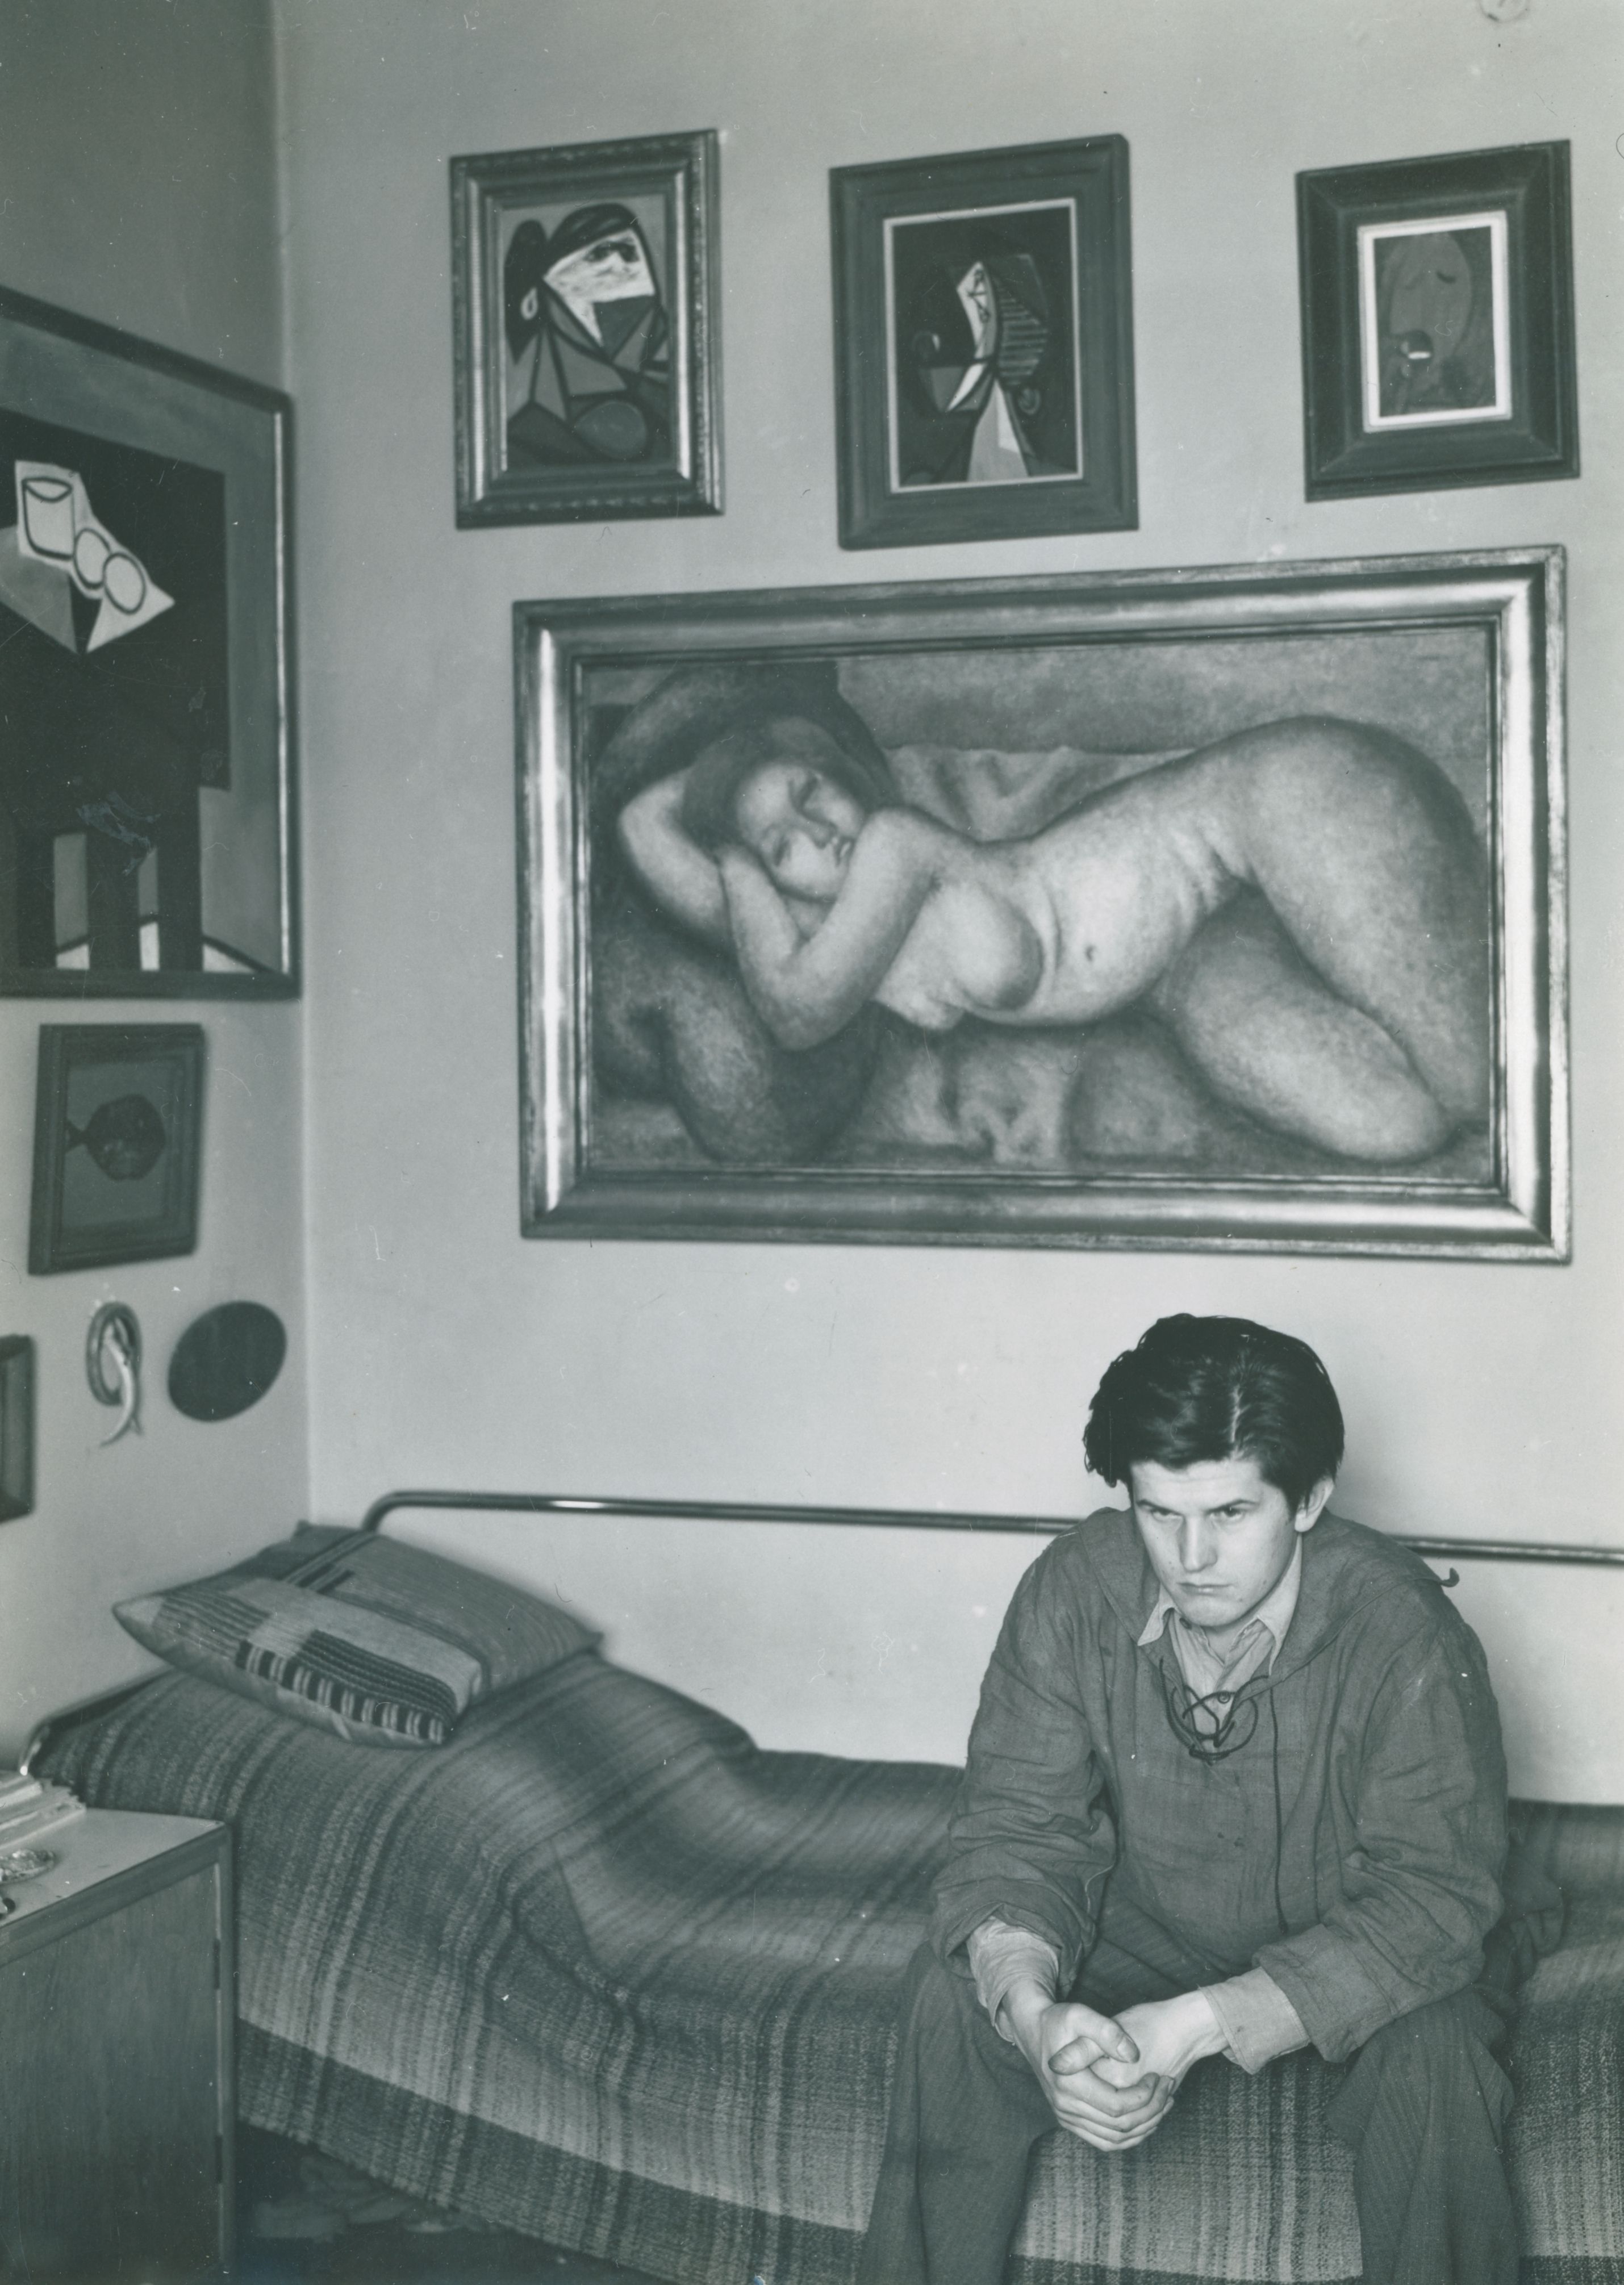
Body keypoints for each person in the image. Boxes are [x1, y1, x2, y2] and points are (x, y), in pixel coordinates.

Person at [856, 1314, 1519, 2285]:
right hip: (1154, 1922)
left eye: (1230, 1513)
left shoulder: (1405, 1628)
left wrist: (1197, 2024)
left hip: (1353, 1931)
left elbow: (1433, 1904)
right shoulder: (1072, 1588)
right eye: (1159, 1513)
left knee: (1437, 2052)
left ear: (1310, 1499)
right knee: (955, 1992)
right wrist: (1034, 2019)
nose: (1191, 1556)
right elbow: (1015, 1834)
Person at [616, 708, 1488, 1163]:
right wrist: (740, 856)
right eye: (785, 845)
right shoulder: (822, 937)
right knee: (1402, 1125)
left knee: (1479, 1086)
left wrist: (743, 839)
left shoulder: (894, 845)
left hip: (1267, 798)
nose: (816, 833)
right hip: (1191, 962)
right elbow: (641, 824)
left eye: (811, 793)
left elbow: (796, 1011)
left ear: (840, 775)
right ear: (775, 882)